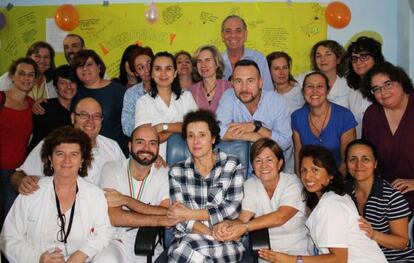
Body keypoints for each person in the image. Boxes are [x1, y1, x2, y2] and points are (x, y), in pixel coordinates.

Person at [0, 126, 112, 262]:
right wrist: (38, 258)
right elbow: (8, 237)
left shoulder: (95, 195)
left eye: (74, 154)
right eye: (60, 154)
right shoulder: (31, 192)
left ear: (82, 161)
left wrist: (81, 254)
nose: (67, 160)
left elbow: (103, 233)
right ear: (50, 160)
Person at [259, 145, 387, 263]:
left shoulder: (331, 205)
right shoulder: (327, 199)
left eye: (315, 170)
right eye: (304, 170)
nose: (307, 176)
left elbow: (339, 259)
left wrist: (291, 260)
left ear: (330, 174)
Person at [167, 109, 245, 262]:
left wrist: (190, 213)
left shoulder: (231, 164)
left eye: (202, 135)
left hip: (226, 241)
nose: (195, 141)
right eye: (190, 136)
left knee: (185, 251)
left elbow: (232, 209)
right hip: (188, 237)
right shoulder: (176, 171)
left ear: (213, 138)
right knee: (192, 249)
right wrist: (210, 232)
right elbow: (179, 218)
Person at [213, 138, 308, 261]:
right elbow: (243, 219)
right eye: (258, 160)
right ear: (252, 165)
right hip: (267, 251)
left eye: (269, 160)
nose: (263, 165)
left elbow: (281, 217)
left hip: (297, 250)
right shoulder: (250, 184)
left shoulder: (293, 182)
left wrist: (245, 227)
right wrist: (226, 225)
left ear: (279, 164)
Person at [95, 124, 177, 263]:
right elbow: (115, 217)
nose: (146, 148)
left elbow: (167, 212)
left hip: (149, 242)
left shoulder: (164, 173)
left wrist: (126, 200)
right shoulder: (111, 169)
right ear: (129, 146)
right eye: (140, 142)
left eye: (152, 143)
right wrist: (157, 219)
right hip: (114, 240)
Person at [11, 97, 125, 192]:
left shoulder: (112, 147)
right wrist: (22, 182)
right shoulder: (53, 143)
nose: (90, 120)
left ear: (102, 120)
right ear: (72, 118)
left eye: (96, 116)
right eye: (84, 115)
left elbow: (127, 181)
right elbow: (18, 175)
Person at [216, 59, 292, 172]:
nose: (244, 88)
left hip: (276, 171)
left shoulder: (278, 102)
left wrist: (256, 127)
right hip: (241, 171)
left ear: (260, 83)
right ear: (232, 83)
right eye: (238, 81)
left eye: (250, 81)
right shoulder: (228, 96)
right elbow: (217, 130)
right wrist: (255, 137)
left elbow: (284, 143)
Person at [345, 139, 414, 262]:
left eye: (365, 159)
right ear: (346, 163)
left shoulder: (392, 197)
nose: (358, 165)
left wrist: (373, 234)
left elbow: (402, 242)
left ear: (375, 163)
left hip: (396, 260)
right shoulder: (343, 193)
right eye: (352, 159)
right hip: (362, 258)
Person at [361, 61, 414, 212]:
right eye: (376, 89)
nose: (383, 92)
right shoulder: (372, 115)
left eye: (388, 84)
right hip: (387, 195)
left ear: (401, 81)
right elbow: (367, 156)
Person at [134, 51, 198, 159]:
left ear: (175, 73)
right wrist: (179, 128)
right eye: (158, 69)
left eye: (168, 68)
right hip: (155, 160)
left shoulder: (186, 96)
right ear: (152, 74)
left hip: (187, 159)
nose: (163, 73)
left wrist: (163, 127)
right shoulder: (143, 102)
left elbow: (196, 127)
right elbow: (144, 140)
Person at [291, 71, 356, 175]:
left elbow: (346, 161)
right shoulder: (297, 117)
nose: (314, 91)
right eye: (310, 86)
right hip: (309, 180)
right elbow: (298, 157)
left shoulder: (344, 116)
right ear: (303, 92)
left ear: (327, 90)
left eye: (320, 86)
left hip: (337, 179)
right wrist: (304, 182)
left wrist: (332, 184)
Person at [72, 49, 129, 156]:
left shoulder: (118, 90)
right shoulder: (74, 92)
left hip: (115, 153)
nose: (85, 68)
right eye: (80, 66)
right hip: (83, 153)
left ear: (99, 67)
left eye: (89, 64)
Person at [0, 58, 37, 221]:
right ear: (12, 76)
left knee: (9, 221)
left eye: (30, 75)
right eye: (21, 73)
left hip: (15, 174)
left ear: (35, 80)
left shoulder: (32, 104)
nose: (26, 78)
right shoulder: (1, 99)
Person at [267, 51, 304, 173]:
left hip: (300, 150)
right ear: (269, 71)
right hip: (277, 152)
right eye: (276, 68)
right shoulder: (266, 96)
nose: (281, 72)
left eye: (285, 67)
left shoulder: (301, 92)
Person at [28, 65, 77, 152]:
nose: (68, 86)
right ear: (55, 87)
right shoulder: (42, 108)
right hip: (38, 159)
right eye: (63, 83)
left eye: (72, 82)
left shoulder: (80, 111)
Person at [221, 15, 273, 91]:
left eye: (238, 31)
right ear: (222, 35)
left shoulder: (258, 59)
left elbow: (268, 92)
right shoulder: (216, 62)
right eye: (228, 31)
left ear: (245, 34)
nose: (233, 35)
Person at [346, 36, 385, 138]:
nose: (358, 62)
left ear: (376, 59)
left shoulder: (386, 87)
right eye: (354, 59)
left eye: (364, 57)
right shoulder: (353, 90)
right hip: (359, 147)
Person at [306, 40, 350, 108]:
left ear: (338, 59)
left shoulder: (349, 86)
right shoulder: (305, 80)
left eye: (328, 54)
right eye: (318, 56)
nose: (322, 59)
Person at [122, 46, 154, 136]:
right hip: (142, 141)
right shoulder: (131, 93)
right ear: (136, 73)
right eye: (141, 68)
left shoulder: (167, 87)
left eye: (149, 64)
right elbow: (127, 127)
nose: (147, 70)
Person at [189, 45, 232, 112]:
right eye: (199, 61)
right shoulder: (191, 91)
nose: (203, 65)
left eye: (208, 60)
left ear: (217, 63)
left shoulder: (230, 87)